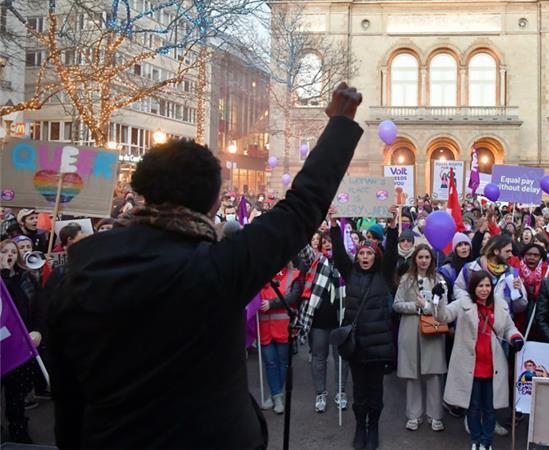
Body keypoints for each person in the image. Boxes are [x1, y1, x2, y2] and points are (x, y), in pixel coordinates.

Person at [47, 83, 363, 449]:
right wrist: (339, 124)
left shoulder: (77, 269)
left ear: (142, 190)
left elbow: (66, 393)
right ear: (214, 202)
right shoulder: (218, 267)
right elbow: (301, 207)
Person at [329, 205, 398, 450]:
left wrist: (393, 226)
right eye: (362, 254)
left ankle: (374, 428)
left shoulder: (385, 275)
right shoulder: (350, 274)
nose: (365, 258)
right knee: (359, 393)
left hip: (378, 348)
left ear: (375, 256)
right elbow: (338, 254)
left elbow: (391, 254)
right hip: (356, 346)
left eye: (369, 254)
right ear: (357, 257)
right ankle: (360, 427)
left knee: (375, 393)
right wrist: (334, 226)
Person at [432, 271, 524, 450]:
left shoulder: (500, 304)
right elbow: (442, 317)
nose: (484, 289)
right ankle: (475, 440)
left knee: (490, 408)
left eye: (487, 285)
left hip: (493, 364)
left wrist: (515, 337)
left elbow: (509, 327)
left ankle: (487, 442)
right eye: (480, 286)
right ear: (473, 287)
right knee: (473, 407)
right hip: (469, 365)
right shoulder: (462, 303)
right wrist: (439, 298)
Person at [393, 243, 448, 432]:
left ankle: (435, 415)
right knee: (412, 374)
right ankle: (414, 415)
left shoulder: (439, 279)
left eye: (427, 257)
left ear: (432, 260)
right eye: (420, 257)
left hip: (432, 329)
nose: (424, 261)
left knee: (433, 374)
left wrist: (428, 307)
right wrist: (415, 307)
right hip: (410, 330)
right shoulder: (406, 279)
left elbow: (443, 308)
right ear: (415, 259)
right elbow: (397, 304)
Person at [297, 244, 350, 414]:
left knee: (341, 359)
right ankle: (320, 393)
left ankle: (340, 392)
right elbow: (303, 249)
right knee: (319, 358)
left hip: (339, 321)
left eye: (333, 241)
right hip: (319, 322)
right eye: (325, 241)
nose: (329, 244)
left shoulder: (346, 262)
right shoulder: (317, 260)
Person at [0, 238, 43, 443]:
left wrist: (37, 330)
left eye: (13, 252)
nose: (9, 255)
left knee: (16, 395)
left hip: (20, 345)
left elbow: (33, 308)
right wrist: (5, 275)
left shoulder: (26, 277)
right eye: (4, 251)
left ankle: (19, 430)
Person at [258, 259, 303, 415]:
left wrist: (272, 304)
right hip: (264, 328)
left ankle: (275, 395)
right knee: (270, 363)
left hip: (283, 327)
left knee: (283, 363)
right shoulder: (260, 274)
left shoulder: (294, 274)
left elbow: (293, 297)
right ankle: (276, 395)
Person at [454, 234, 527, 316]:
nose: (511, 255)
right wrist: (470, 303)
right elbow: (458, 289)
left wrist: (518, 292)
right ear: (496, 251)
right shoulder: (470, 268)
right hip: (474, 321)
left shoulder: (512, 273)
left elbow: (520, 308)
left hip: (500, 324)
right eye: (507, 251)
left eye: (511, 251)